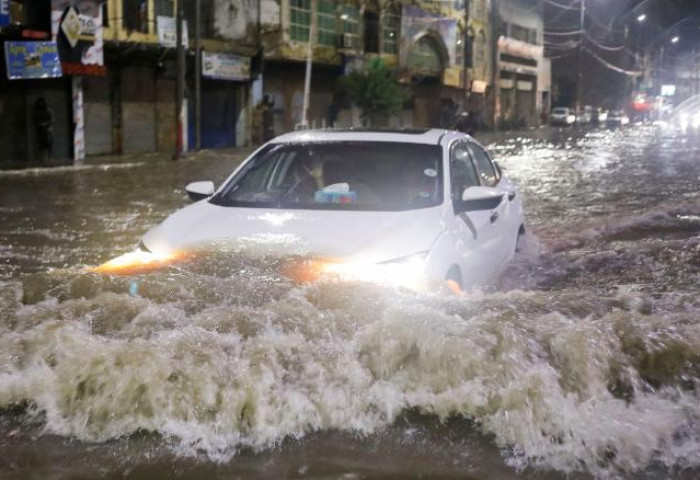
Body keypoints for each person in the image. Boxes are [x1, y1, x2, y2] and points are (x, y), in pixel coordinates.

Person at [33, 98, 53, 162]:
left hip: (47, 130)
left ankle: (49, 157)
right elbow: (35, 121)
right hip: (40, 130)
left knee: (49, 144)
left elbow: (51, 120)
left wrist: (46, 124)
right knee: (41, 145)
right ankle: (41, 158)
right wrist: (39, 124)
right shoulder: (37, 112)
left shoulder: (48, 111)